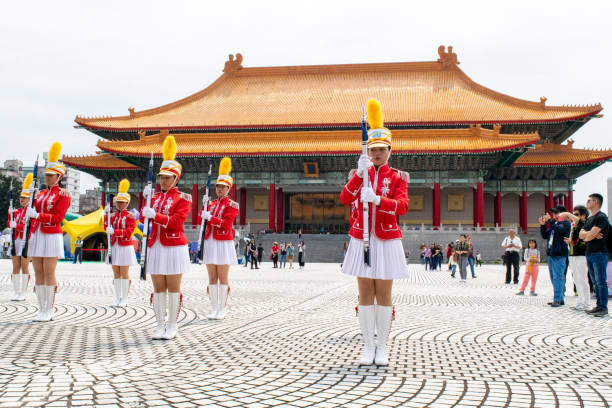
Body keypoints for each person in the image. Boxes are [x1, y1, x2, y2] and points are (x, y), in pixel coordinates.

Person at [340, 99, 410, 366]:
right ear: (368, 152)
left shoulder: (397, 178)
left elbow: (402, 206)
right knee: (364, 293)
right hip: (361, 238)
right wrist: (358, 177)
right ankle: (367, 346)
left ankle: (383, 347)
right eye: (373, 150)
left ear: (389, 151)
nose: (377, 153)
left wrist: (379, 200)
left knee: (384, 293)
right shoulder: (361, 173)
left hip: (386, 239)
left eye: (381, 149)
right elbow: (345, 199)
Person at [140, 136, 192, 339]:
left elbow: (177, 222)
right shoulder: (153, 197)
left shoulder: (183, 198)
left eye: (167, 177)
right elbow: (146, 220)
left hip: (173, 246)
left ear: (176, 178)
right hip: (156, 245)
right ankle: (159, 324)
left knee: (173, 287)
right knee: (158, 287)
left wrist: (156, 215)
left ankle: (172, 325)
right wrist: (145, 203)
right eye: (161, 177)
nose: (163, 180)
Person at [25, 142, 71, 322]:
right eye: (46, 175)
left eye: (51, 175)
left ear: (59, 176)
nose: (48, 178)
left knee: (49, 271)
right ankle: (41, 308)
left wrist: (37, 214)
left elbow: (58, 217)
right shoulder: (40, 193)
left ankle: (49, 309)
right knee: (38, 271)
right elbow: (32, 211)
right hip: (38, 233)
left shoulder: (63, 194)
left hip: (51, 234)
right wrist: (31, 198)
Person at [199, 157, 239, 321]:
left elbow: (226, 224)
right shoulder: (212, 203)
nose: (219, 189)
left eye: (223, 187)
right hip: (210, 241)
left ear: (228, 188)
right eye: (217, 186)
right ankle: (214, 308)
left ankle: (222, 308)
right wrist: (204, 207)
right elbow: (201, 218)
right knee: (211, 278)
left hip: (223, 242)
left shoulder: (232, 205)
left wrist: (211, 218)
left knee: (223, 277)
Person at [106, 179, 138, 307]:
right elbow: (106, 227)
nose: (120, 205)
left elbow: (129, 231)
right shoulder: (112, 215)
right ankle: (117, 297)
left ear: (127, 203)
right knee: (116, 272)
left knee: (124, 272)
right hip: (114, 245)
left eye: (122, 203)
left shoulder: (131, 216)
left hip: (125, 246)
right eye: (118, 202)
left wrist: (115, 231)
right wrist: (105, 216)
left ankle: (124, 298)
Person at [579, 193, 609, 317]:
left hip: (600, 252)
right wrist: (590, 234)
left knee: (601, 281)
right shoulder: (590, 219)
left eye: (590, 200)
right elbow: (581, 234)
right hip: (590, 252)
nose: (587, 202)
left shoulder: (601, 217)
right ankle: (598, 305)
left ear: (596, 202)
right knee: (595, 281)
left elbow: (587, 237)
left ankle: (603, 307)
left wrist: (589, 235)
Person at [559, 206, 590, 311]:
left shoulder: (584, 223)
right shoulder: (574, 226)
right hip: (573, 254)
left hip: (581, 254)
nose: (573, 216)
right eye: (573, 214)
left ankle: (586, 302)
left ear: (583, 215)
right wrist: (570, 241)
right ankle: (581, 301)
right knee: (576, 279)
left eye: (576, 214)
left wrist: (567, 214)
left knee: (582, 279)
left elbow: (578, 221)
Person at [8, 174, 33, 301]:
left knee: (25, 266)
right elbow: (9, 224)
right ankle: (16, 291)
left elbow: (27, 227)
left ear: (29, 199)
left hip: (25, 241)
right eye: (21, 198)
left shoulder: (30, 212)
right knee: (15, 267)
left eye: (24, 198)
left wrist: (15, 225)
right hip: (15, 241)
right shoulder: (16, 211)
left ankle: (23, 292)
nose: (22, 200)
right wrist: (10, 216)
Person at [540, 205, 571, 307]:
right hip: (551, 253)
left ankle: (557, 299)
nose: (554, 215)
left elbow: (558, 230)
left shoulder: (565, 223)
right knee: (553, 277)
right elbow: (545, 235)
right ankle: (560, 299)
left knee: (558, 277)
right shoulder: (555, 224)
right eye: (554, 213)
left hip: (559, 254)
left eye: (556, 213)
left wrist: (550, 221)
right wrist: (543, 225)